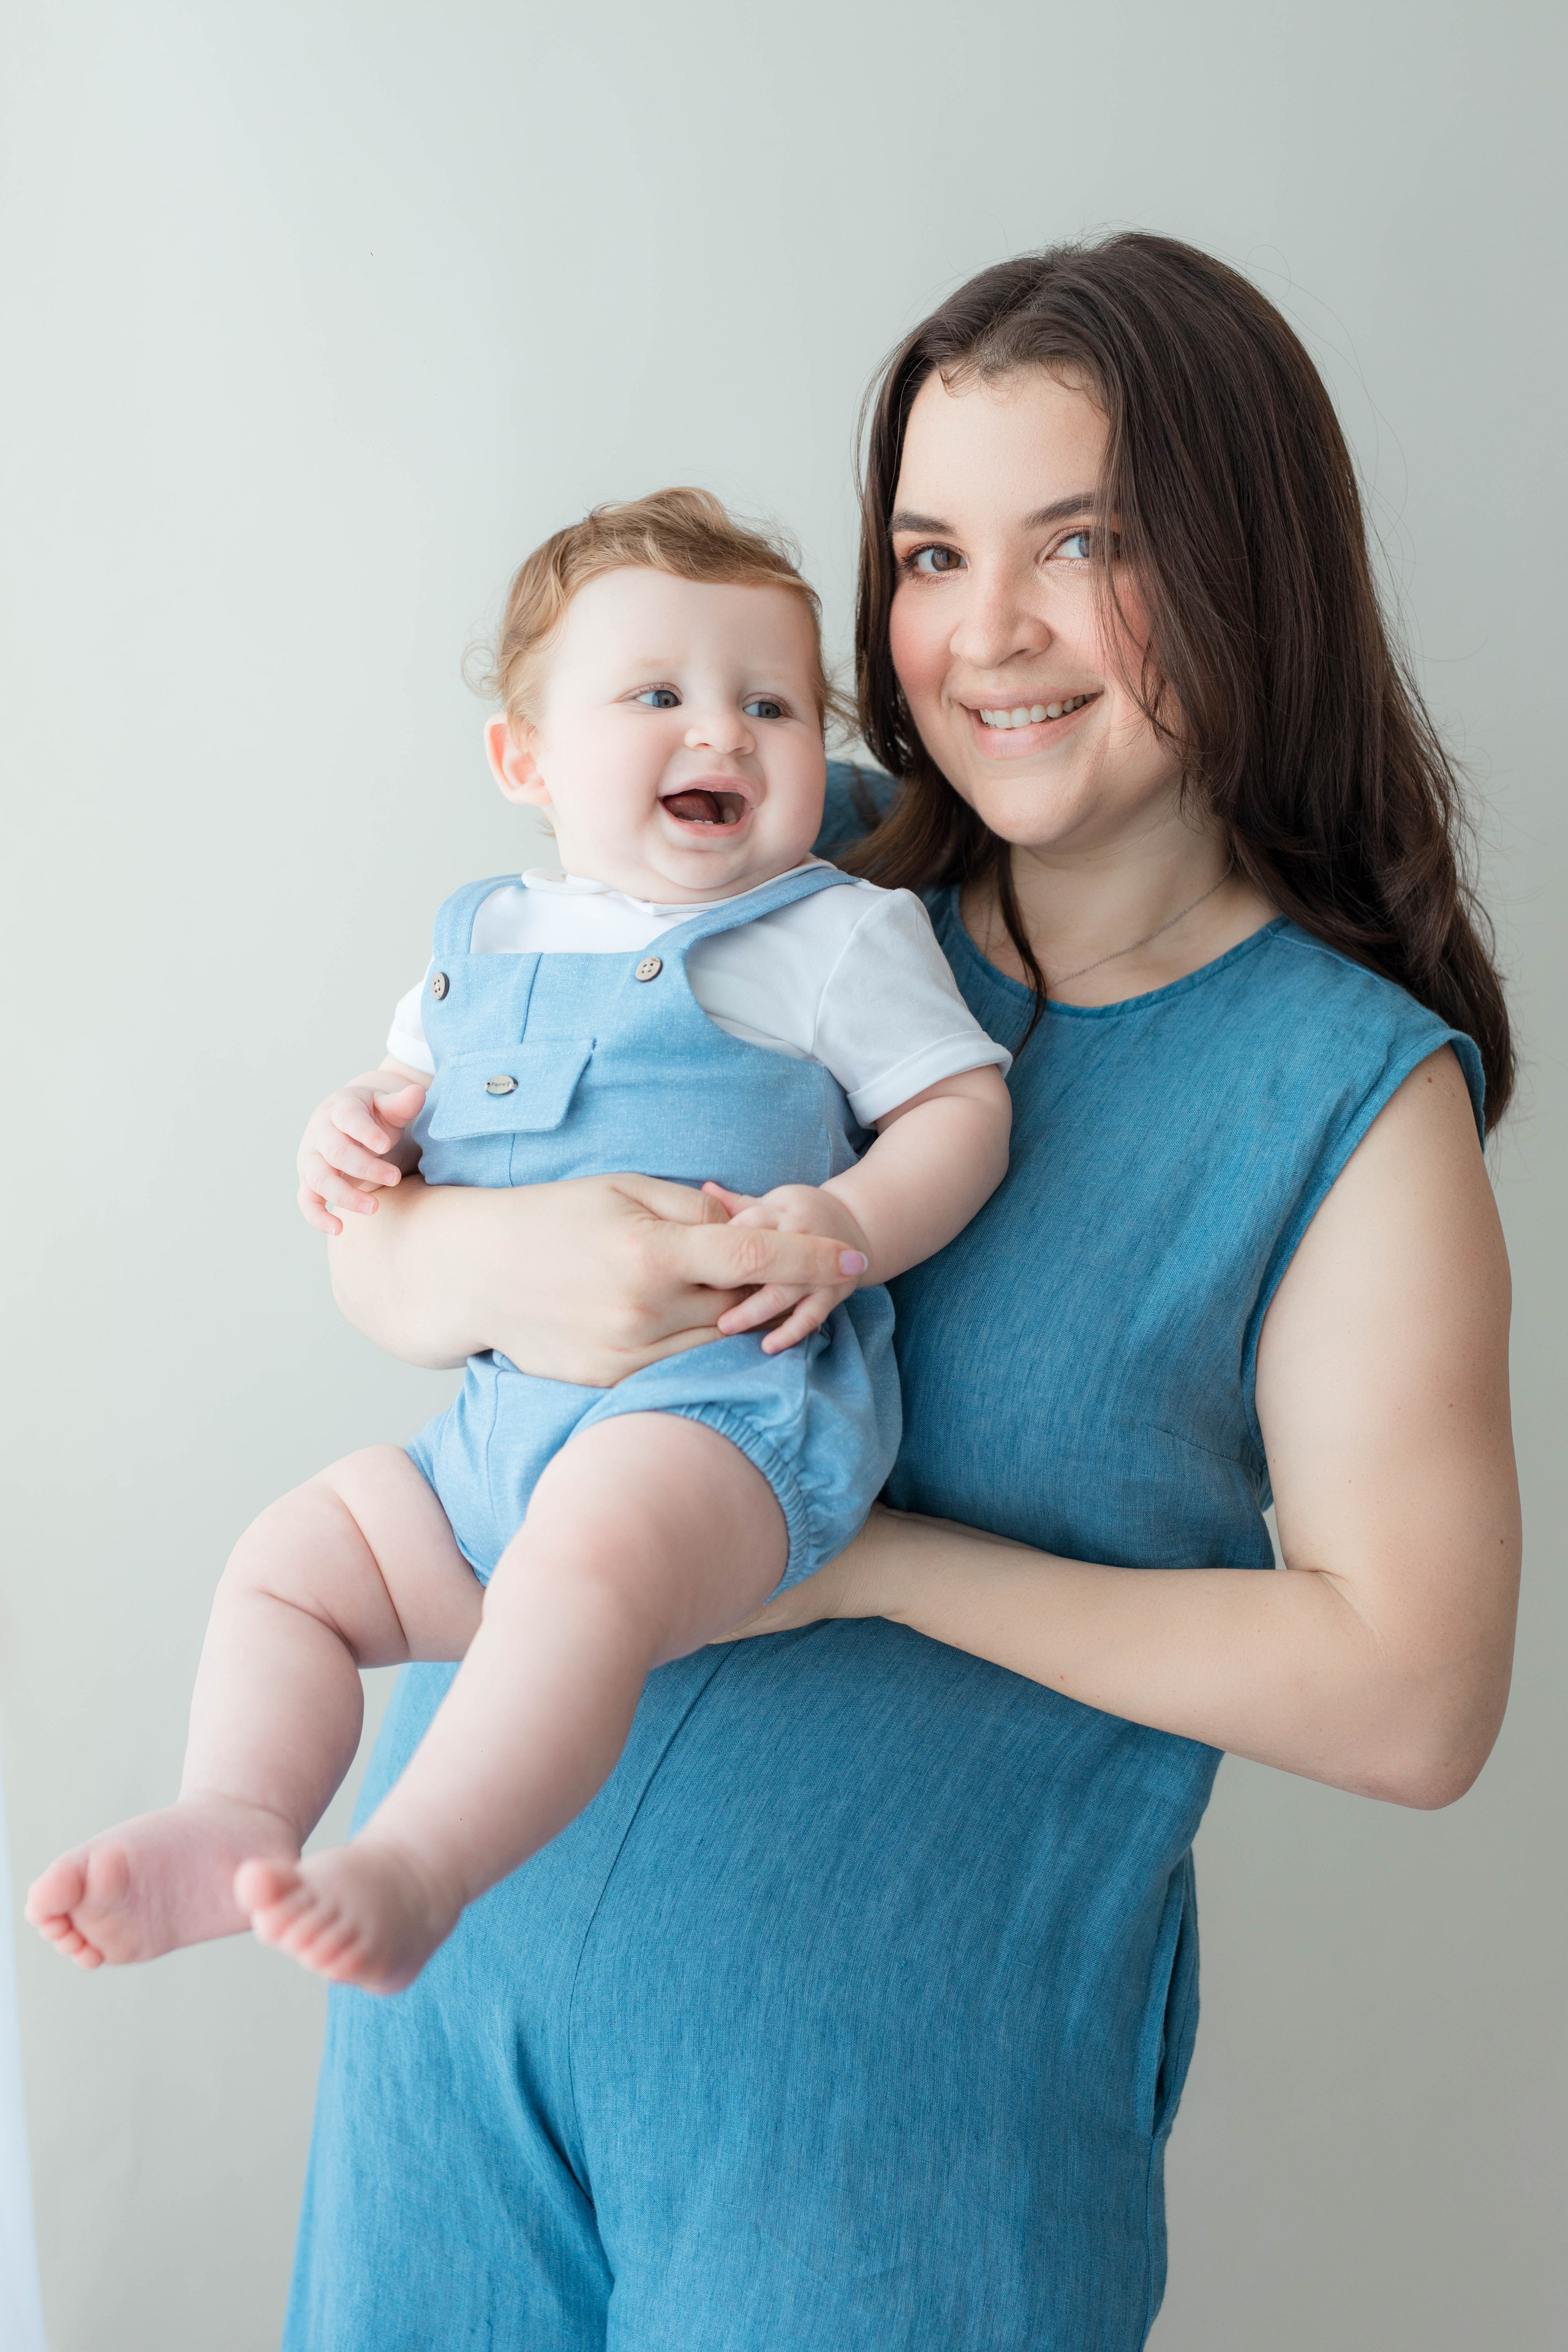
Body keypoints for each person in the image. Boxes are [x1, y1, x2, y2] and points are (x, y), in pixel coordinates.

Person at [155, 232, 1532, 2348]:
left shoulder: (1343, 1105)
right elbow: (402, 1244)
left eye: (1084, 545)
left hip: (892, 2150)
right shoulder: (782, 863)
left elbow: (1414, 1699)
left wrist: (873, 1571)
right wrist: (480, 1250)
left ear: (1250, 563)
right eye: (926, 551)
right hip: (457, 2043)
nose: (987, 635)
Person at [21, 490, 1012, 1996]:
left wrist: (851, 1220)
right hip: (498, 1433)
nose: (725, 735)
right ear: (524, 759)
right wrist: (349, 1129)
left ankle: (421, 1865)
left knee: (585, 1569)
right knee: (293, 1562)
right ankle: (236, 1815)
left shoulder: (828, 936)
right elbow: (396, 1130)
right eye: (657, 696)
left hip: (721, 1417)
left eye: (771, 703)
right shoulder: (481, 944)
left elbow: (960, 1107)